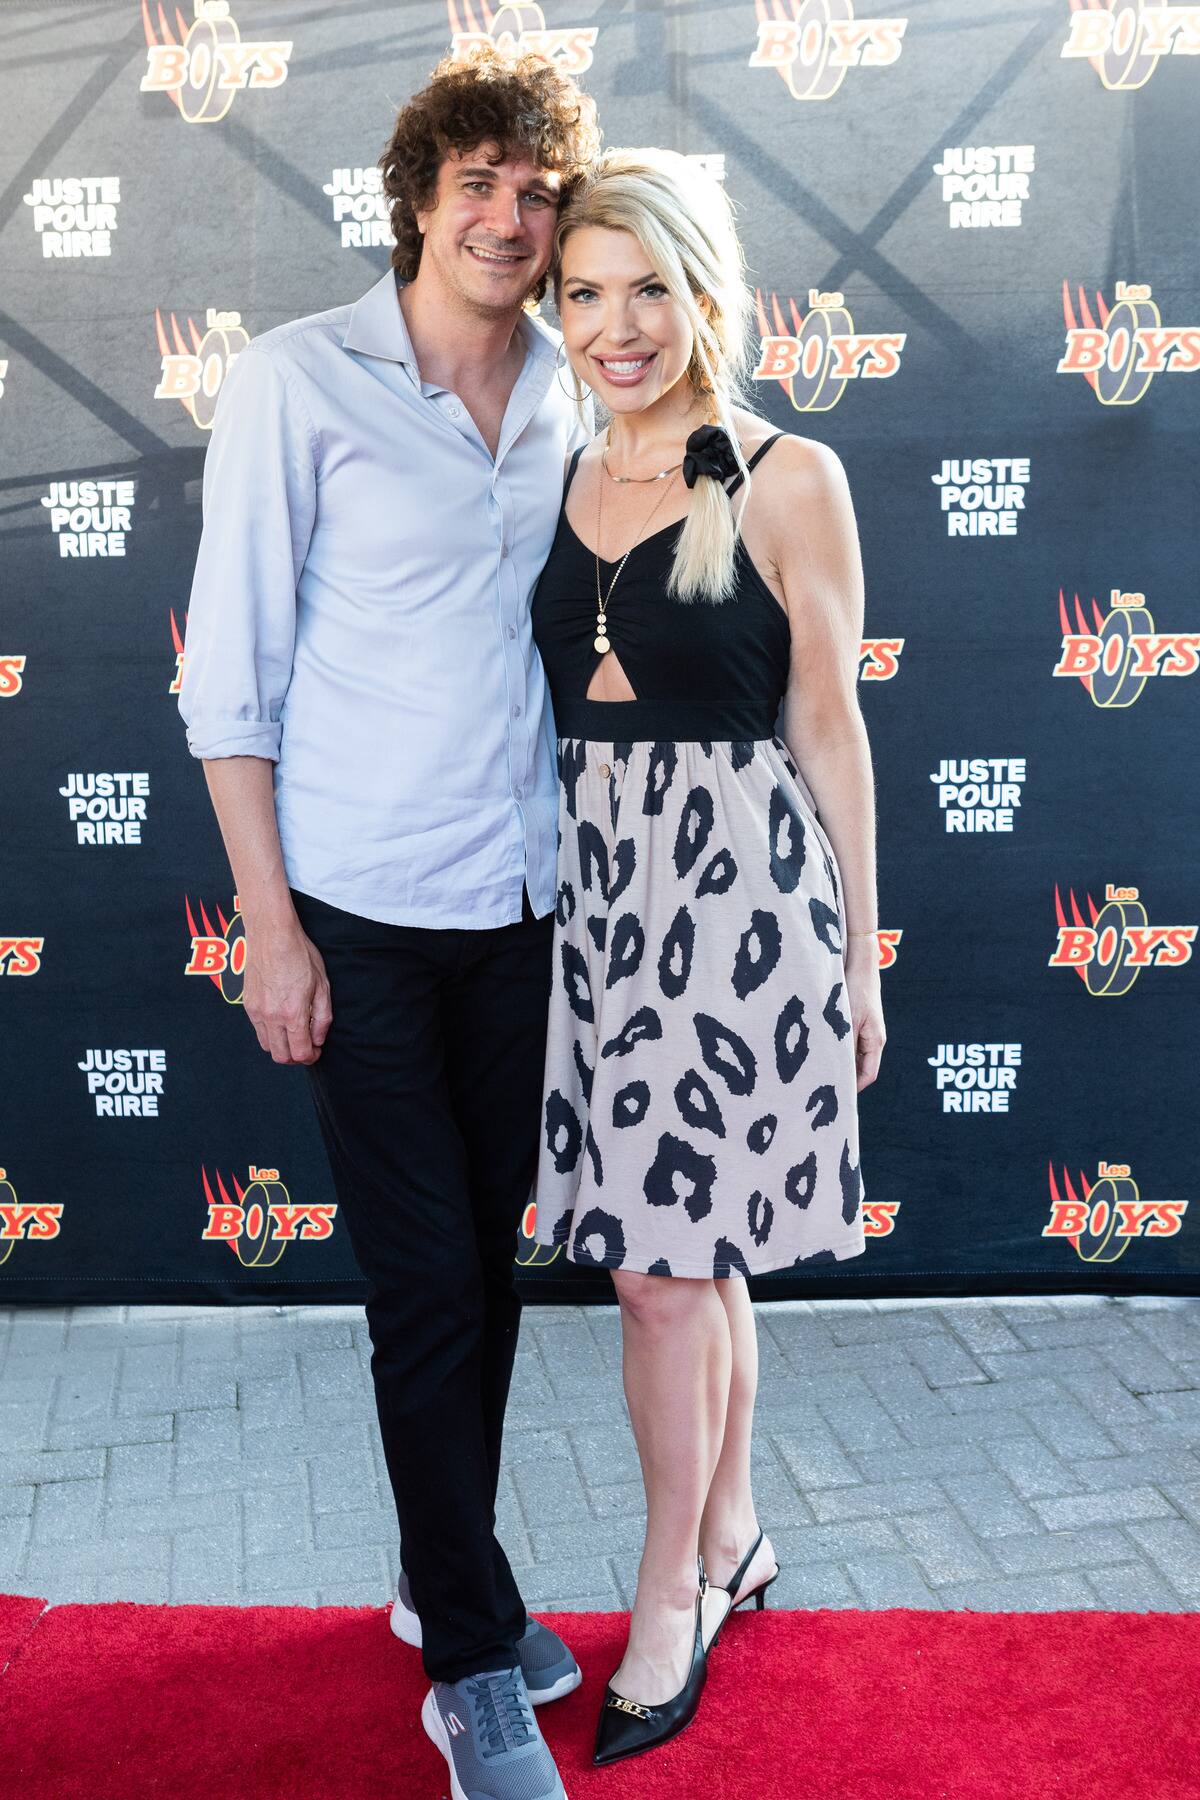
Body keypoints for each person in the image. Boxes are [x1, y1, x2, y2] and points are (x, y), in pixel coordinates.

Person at [177, 47, 601, 1800]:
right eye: (478, 183)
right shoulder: (299, 381)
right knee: (425, 1279)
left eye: (538, 192)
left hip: (521, 900)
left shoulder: (579, 383)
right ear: (419, 197)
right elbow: (230, 678)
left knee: (483, 1276)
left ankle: (444, 1584)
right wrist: (269, 930)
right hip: (355, 910)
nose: (510, 217)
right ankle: (474, 1666)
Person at [528, 147, 886, 1765]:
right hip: (603, 911)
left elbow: (831, 723)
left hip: (743, 915)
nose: (618, 328)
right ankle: (734, 1529)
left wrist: (861, 960)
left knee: (659, 1278)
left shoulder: (789, 476)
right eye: (584, 294)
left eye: (648, 290)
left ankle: (667, 1587)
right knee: (695, 1253)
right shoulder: (554, 472)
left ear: (703, 295)